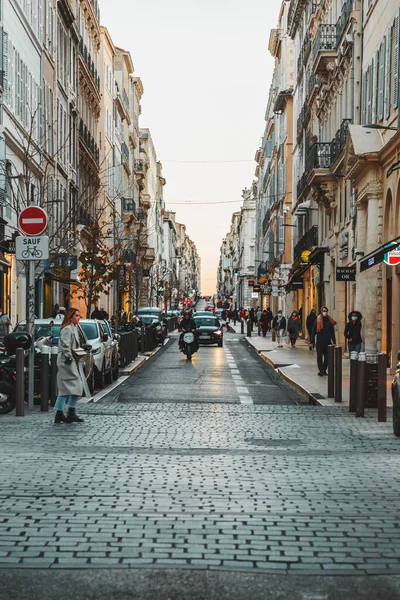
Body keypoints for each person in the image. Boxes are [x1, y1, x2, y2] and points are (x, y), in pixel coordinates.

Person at [54, 308, 86, 424]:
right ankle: (70, 412)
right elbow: (65, 345)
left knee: (64, 390)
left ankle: (60, 413)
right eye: (76, 315)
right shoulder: (67, 329)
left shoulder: (74, 328)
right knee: (77, 386)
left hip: (68, 361)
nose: (79, 317)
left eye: (79, 315)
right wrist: (69, 357)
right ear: (70, 317)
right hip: (66, 362)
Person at [311, 306, 337, 376]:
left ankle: (324, 369)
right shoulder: (317, 320)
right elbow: (313, 331)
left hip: (328, 342)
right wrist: (312, 341)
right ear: (321, 312)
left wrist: (334, 342)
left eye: (326, 311)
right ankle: (321, 370)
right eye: (323, 311)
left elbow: (332, 332)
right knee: (319, 357)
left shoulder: (330, 321)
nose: (325, 312)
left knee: (327, 357)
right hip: (319, 342)